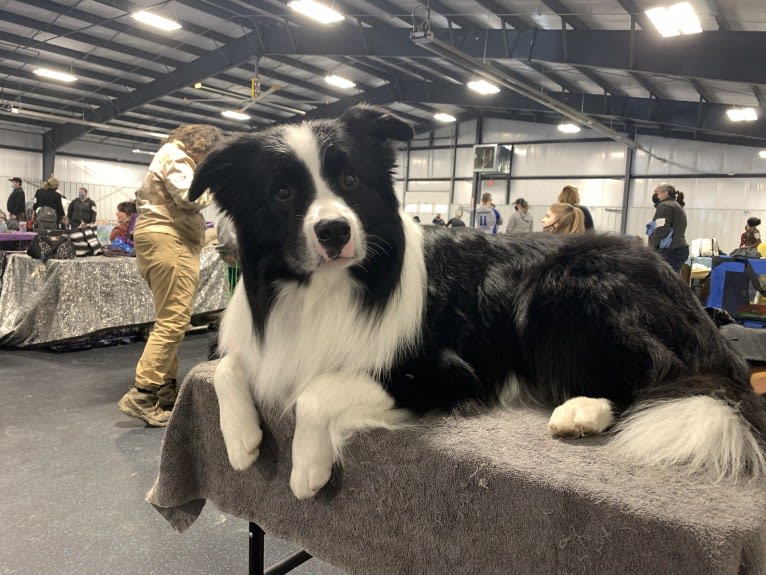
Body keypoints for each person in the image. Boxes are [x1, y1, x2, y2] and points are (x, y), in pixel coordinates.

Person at [118, 124, 224, 427]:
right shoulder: (176, 157)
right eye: (209, 156)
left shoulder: (170, 156)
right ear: (202, 144)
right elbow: (189, 197)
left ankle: (164, 392)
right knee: (174, 320)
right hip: (170, 239)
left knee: (169, 317)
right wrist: (215, 184)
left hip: (162, 239)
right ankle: (142, 394)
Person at [648, 183, 688, 272]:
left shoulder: (665, 206)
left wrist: (652, 248)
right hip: (679, 249)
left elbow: (661, 229)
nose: (655, 195)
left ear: (665, 193)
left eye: (657, 193)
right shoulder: (676, 205)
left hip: (669, 251)